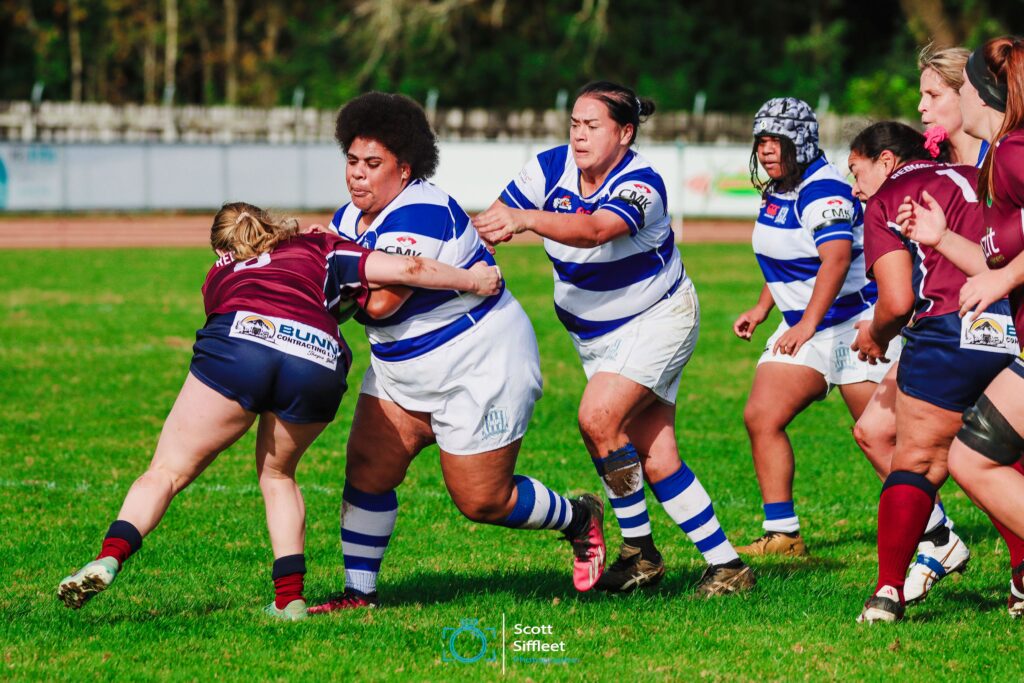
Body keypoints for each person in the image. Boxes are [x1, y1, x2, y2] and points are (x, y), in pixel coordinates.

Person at [57, 202, 503, 621]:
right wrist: (474, 281)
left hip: (241, 341)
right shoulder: (317, 244)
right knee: (278, 476)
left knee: (167, 471)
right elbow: (408, 268)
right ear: (269, 223)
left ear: (219, 248)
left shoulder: (216, 273)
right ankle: (289, 600)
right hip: (318, 355)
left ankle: (109, 557)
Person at [310, 92, 607, 614]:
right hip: (401, 367)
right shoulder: (348, 219)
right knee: (367, 470)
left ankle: (580, 517)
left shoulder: (421, 209)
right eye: (352, 161)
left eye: (373, 164)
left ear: (405, 169)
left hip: (477, 363)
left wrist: (336, 284)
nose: (357, 174)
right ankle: (359, 594)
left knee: (483, 501)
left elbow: (380, 303)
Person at [473, 81, 753, 596]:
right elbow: (491, 224)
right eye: (574, 124)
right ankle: (723, 564)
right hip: (595, 337)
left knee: (599, 418)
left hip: (658, 320)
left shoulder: (641, 183)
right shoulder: (548, 168)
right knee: (656, 457)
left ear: (625, 133)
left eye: (592, 125)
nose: (579, 135)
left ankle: (640, 551)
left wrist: (526, 219)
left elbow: (596, 230)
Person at [846, 122, 1019, 623]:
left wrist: (875, 335)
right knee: (997, 454)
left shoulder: (890, 198)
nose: (855, 188)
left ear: (886, 161)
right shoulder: (975, 173)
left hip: (948, 327)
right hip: (1009, 319)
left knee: (919, 459)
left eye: (857, 171)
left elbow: (898, 300)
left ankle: (888, 592)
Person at [730, 98, 900, 557]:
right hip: (805, 327)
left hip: (854, 326)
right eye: (761, 141)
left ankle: (937, 532)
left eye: (777, 140)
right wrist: (763, 307)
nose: (767, 150)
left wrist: (807, 323)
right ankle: (783, 535)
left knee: (881, 439)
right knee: (762, 417)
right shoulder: (779, 189)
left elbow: (836, 260)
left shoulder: (823, 190)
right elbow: (787, 258)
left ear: (802, 142)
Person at [897, 36, 1024, 619]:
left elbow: (1002, 273)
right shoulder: (1000, 161)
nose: (937, 102)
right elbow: (993, 261)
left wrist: (1004, 280)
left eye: (962, 86)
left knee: (972, 460)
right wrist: (942, 238)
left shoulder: (1015, 152)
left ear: (984, 94)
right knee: (973, 460)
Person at [917, 44, 990, 166]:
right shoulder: (923, 163)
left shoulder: (1000, 157)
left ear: (966, 94)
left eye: (934, 95)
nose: (920, 107)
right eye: (922, 96)